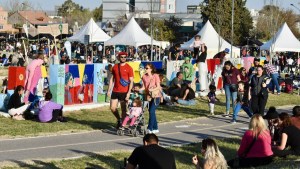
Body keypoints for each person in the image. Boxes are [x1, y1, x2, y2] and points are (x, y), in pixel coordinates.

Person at [107, 52, 134, 129]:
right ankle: (119, 119)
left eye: (124, 57)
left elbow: (131, 81)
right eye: (121, 57)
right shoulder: (115, 67)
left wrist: (129, 93)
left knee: (123, 109)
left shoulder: (129, 67)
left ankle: (123, 123)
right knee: (112, 108)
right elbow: (112, 79)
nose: (123, 58)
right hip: (115, 91)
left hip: (124, 91)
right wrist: (109, 90)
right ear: (119, 58)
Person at [141, 63, 161, 134]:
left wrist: (152, 90)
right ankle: (155, 128)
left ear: (151, 69)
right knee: (151, 112)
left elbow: (158, 86)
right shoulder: (143, 76)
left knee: (152, 111)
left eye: (147, 68)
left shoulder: (155, 76)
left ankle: (150, 128)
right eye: (145, 68)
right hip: (148, 96)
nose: (145, 69)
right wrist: (138, 89)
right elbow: (144, 86)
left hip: (156, 96)